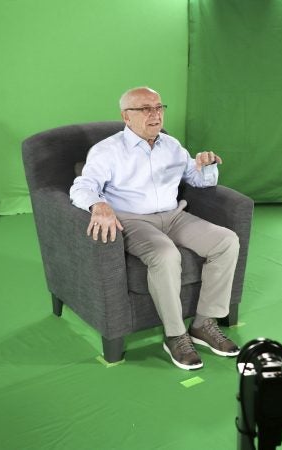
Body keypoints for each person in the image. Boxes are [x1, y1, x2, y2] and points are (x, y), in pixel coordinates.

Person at [69, 87, 240, 370]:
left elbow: (199, 181)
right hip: (134, 221)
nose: (155, 114)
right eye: (146, 108)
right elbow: (83, 186)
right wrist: (97, 205)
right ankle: (175, 335)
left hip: (174, 217)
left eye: (159, 107)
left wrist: (206, 166)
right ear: (126, 116)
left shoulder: (172, 146)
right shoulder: (106, 151)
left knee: (226, 241)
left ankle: (203, 324)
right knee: (164, 254)